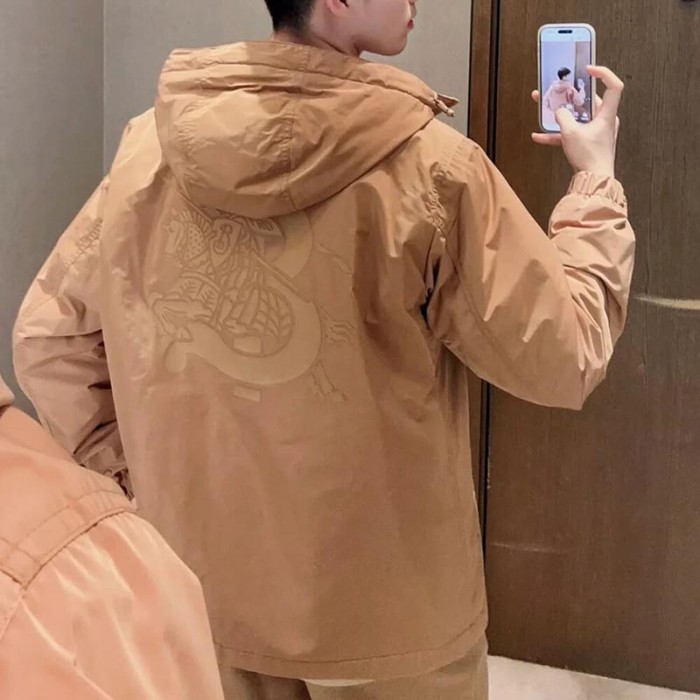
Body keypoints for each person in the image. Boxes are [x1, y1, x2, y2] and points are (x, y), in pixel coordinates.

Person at [13, 0, 634, 697]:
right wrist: (594, 182)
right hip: (391, 622)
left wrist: (145, 485)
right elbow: (565, 352)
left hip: (208, 599)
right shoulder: (435, 170)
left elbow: (50, 342)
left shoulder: (147, 152)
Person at [0, 373, 225, 699]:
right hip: (178, 538)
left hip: (185, 531)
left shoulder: (45, 574)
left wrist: (119, 479)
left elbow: (56, 360)